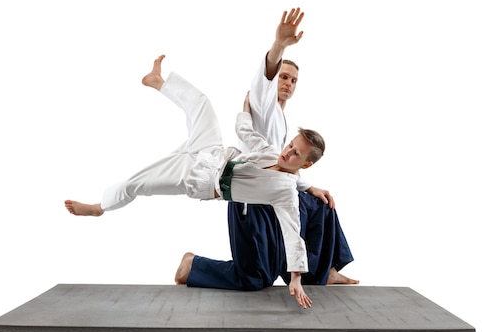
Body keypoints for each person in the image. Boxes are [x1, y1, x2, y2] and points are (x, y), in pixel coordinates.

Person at [64, 54, 329, 309]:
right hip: (211, 152)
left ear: (305, 164)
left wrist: (295, 277)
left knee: (139, 184)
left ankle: (100, 207)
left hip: (198, 179)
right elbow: (246, 133)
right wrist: (245, 111)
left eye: (295, 153)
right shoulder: (273, 152)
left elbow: (293, 235)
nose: (288, 151)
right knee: (202, 103)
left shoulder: (285, 193)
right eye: (291, 145)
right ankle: (158, 81)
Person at [178, 8, 358, 293]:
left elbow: (280, 164)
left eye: (293, 80)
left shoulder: (284, 123)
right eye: (283, 77)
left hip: (273, 194)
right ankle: (193, 265)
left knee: (321, 208)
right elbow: (265, 77)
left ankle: (325, 272)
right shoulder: (265, 105)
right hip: (251, 198)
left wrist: (309, 187)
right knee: (256, 278)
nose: (287, 82)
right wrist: (279, 46)